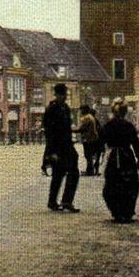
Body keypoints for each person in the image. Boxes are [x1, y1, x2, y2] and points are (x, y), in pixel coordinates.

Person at [101, 100, 139, 223]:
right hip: (127, 157)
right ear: (125, 112)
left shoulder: (108, 125)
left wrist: (99, 158)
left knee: (112, 183)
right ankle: (127, 211)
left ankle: (116, 211)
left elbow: (102, 142)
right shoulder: (129, 126)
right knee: (130, 183)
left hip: (113, 157)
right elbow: (135, 144)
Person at [42, 82, 79, 212]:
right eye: (61, 94)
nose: (63, 97)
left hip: (67, 145)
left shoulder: (66, 108)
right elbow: (49, 132)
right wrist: (51, 152)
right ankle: (54, 201)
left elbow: (67, 129)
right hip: (57, 147)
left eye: (64, 95)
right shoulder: (52, 109)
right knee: (58, 174)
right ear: (56, 95)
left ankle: (65, 201)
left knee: (73, 172)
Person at [77, 104, 99, 176]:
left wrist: (70, 130)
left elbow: (81, 129)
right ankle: (89, 170)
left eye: (81, 110)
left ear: (84, 110)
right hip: (91, 138)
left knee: (88, 155)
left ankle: (90, 171)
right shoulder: (90, 117)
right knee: (88, 156)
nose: (80, 111)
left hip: (88, 139)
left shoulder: (87, 118)